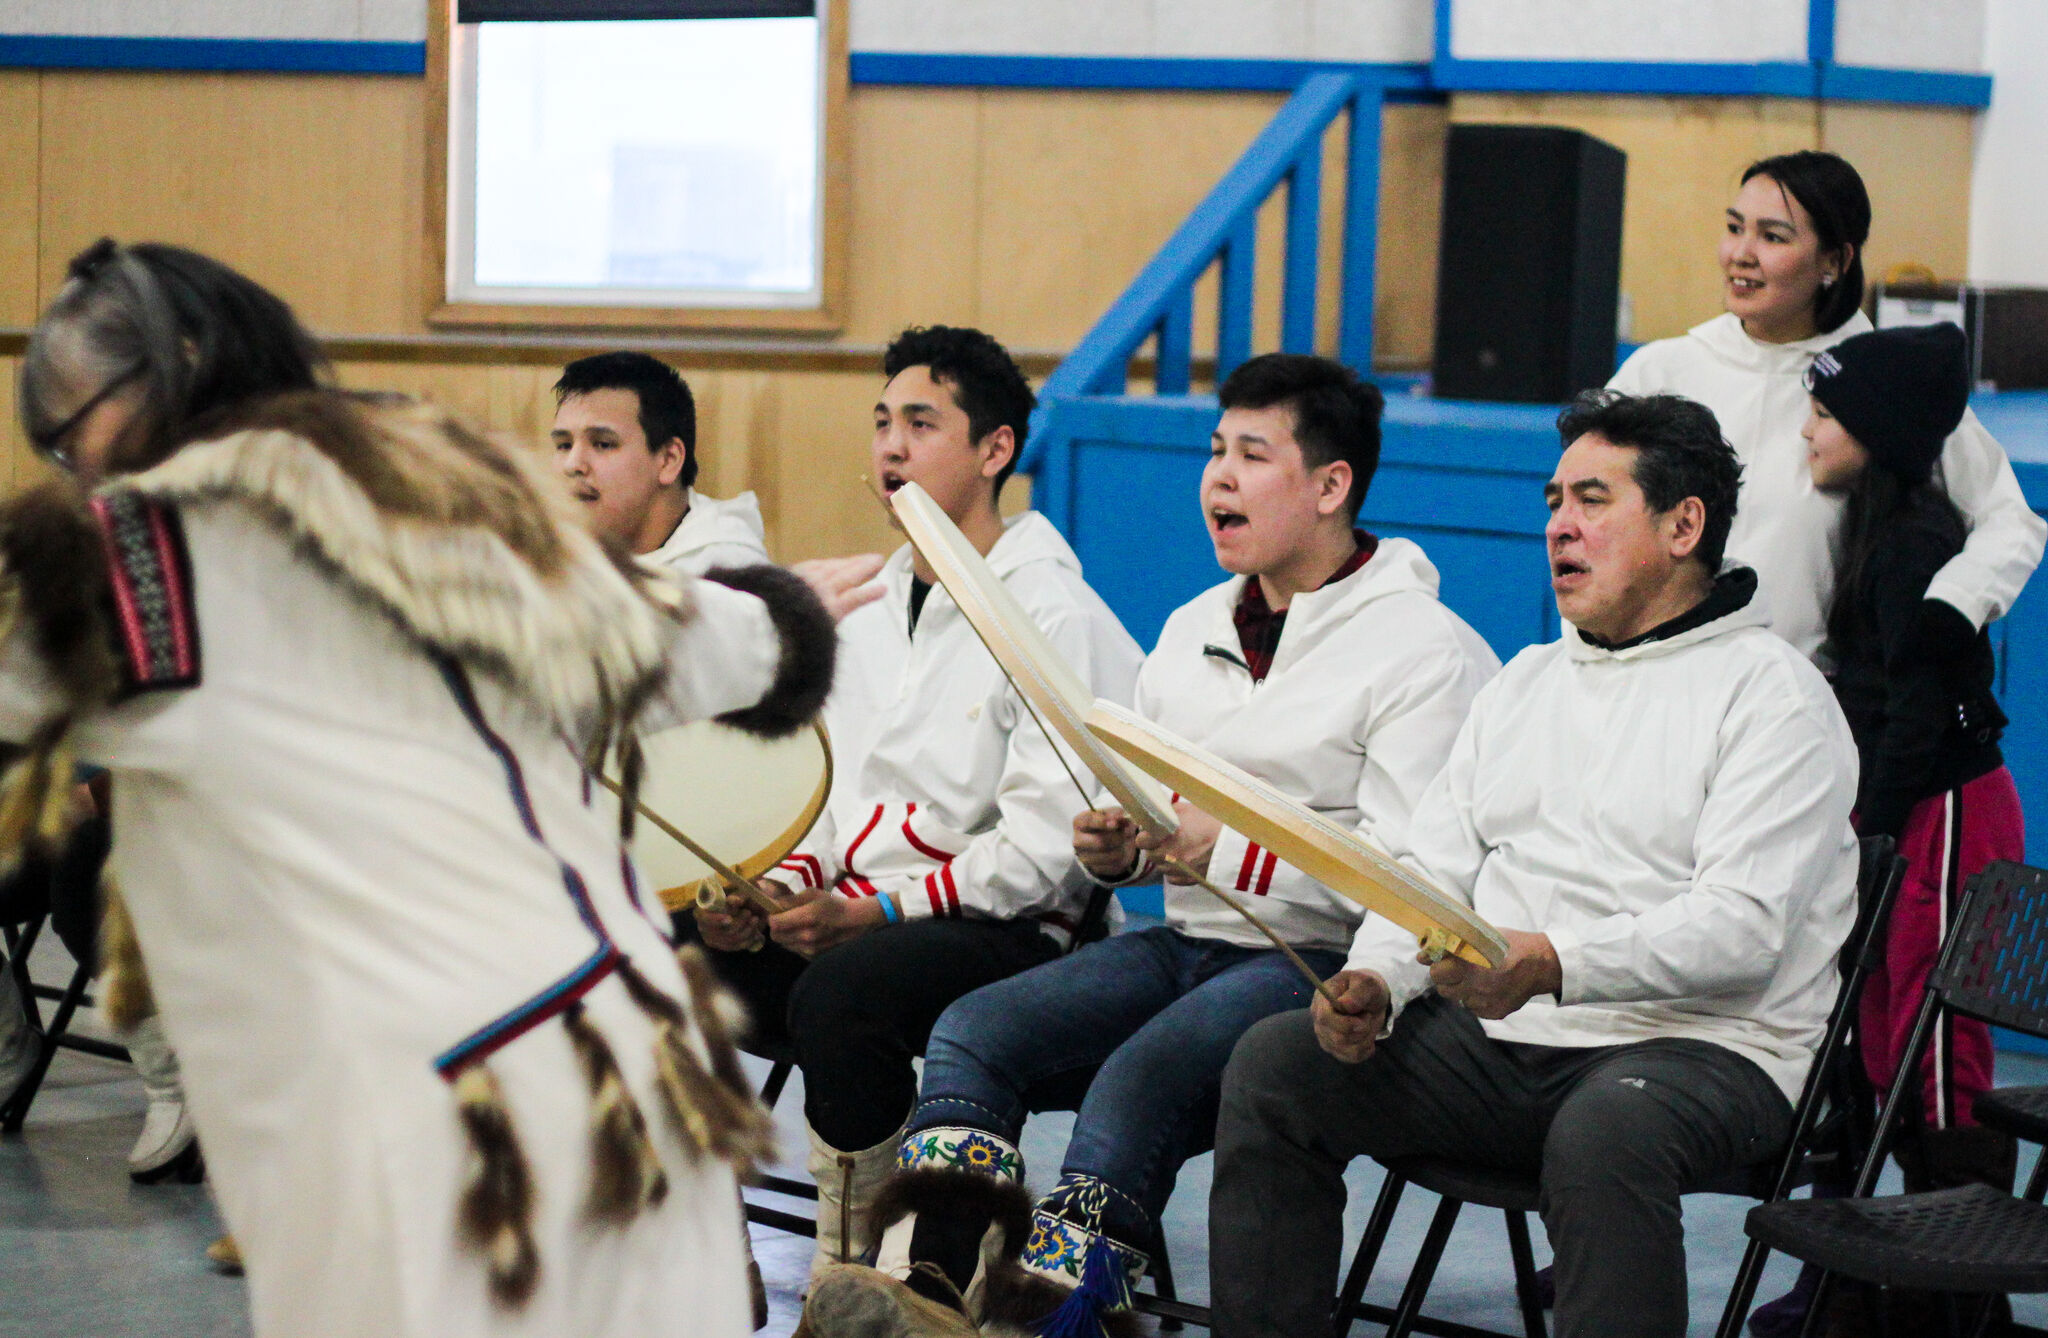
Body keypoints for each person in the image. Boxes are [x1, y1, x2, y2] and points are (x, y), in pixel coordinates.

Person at [0, 238, 872, 1338]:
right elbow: (652, 638)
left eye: (78, 409)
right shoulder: (430, 496)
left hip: (448, 1139)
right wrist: (778, 614)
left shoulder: (144, 553)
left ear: (177, 371)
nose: (67, 450)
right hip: (642, 1085)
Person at [846, 354, 1499, 1331]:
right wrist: (1120, 848)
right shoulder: (1192, 625)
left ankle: (1039, 1319)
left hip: (1316, 963)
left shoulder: (1422, 648)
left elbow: (1409, 881)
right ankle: (920, 1296)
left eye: (1250, 455)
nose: (1216, 478)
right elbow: (1155, 817)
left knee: (1133, 1080)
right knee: (973, 1031)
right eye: (1212, 451)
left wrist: (1221, 851)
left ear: (1330, 486)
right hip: (1185, 943)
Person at [1208, 390, 1860, 1338]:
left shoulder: (1775, 699)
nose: (1559, 525)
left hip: (1707, 1050)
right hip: (1509, 1041)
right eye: (1554, 500)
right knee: (1277, 1062)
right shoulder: (1525, 683)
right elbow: (1424, 871)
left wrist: (1550, 962)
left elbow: (1743, 931)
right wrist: (1378, 980)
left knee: (1609, 1132)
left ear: (1686, 526)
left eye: (1593, 501)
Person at [683, 325, 1145, 1282]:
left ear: (995, 450)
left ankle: (853, 1278)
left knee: (845, 994)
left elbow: (1038, 855)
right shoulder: (873, 603)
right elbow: (831, 803)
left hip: (1010, 931)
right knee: (683, 952)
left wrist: (872, 913)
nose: (889, 446)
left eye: (921, 423)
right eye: (882, 422)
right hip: (863, 917)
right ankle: (688, 1255)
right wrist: (772, 895)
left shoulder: (1051, 610)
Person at [1794, 322, 2023, 1334]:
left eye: (1823, 414)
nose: (1803, 431)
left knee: (1933, 1047)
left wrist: (1874, 838)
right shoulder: (1867, 530)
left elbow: (1916, 715)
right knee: (1882, 1041)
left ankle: (1960, 1291)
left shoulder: (1918, 545)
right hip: (1897, 807)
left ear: (1876, 437)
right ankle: (1903, 1273)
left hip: (1941, 806)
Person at [1609, 150, 2043, 664]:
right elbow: (1590, 519)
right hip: (1667, 687)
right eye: (1734, 227)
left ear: (1835, 261)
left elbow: (2009, 520)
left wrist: (1950, 608)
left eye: (1773, 237)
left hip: (1814, 711)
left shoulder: (1886, 382)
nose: (1741, 254)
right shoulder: (1659, 373)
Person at [553, 351, 768, 574]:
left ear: (668, 460)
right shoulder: (551, 559)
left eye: (603, 444)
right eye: (564, 445)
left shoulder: (726, 578)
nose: (573, 464)